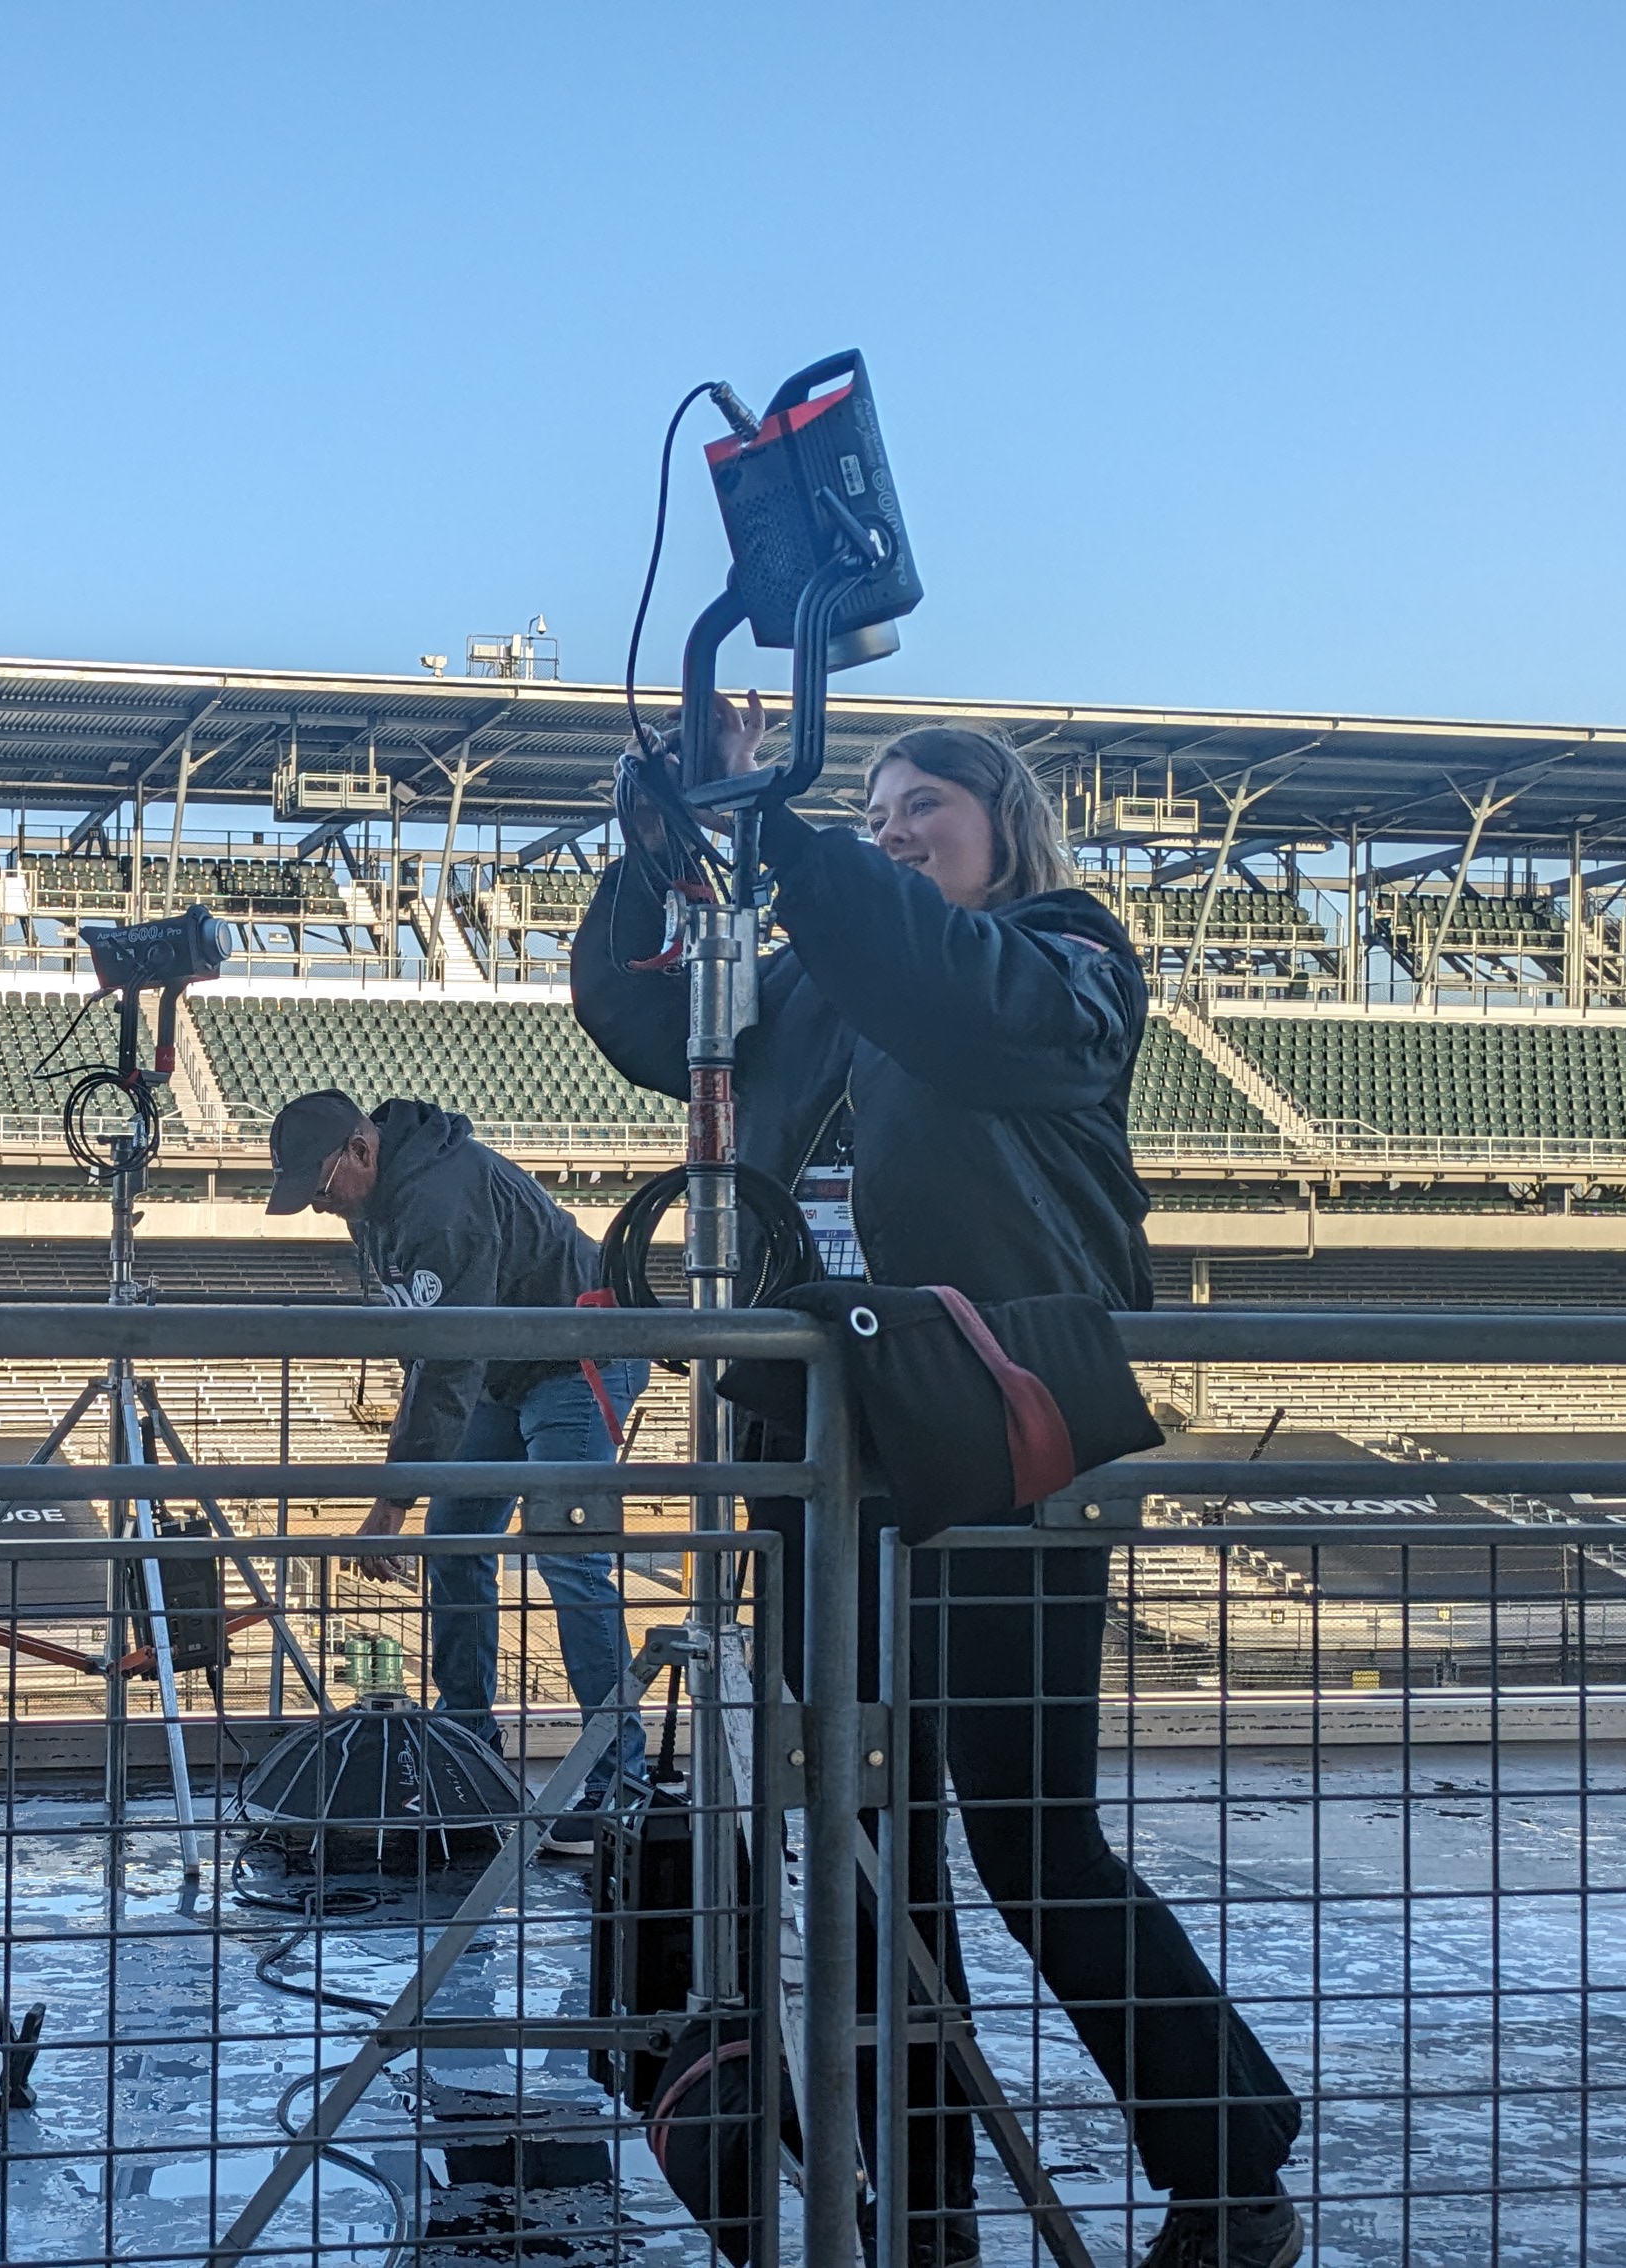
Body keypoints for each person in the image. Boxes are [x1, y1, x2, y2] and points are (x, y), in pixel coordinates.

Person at [571, 706, 1304, 2268]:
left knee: (1030, 1835)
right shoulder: (813, 980)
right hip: (816, 1466)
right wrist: (659, 848)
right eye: (879, 807)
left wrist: (804, 838)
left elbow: (955, 1000)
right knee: (857, 1848)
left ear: (1004, 824)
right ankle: (923, 2211)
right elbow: (646, 1025)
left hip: (992, 1458)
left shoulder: (1066, 959)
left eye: (926, 808)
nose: (896, 827)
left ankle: (1233, 2163)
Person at [264, 1087, 649, 1850]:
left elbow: (445, 1362)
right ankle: (468, 1741)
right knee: (457, 1543)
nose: (317, 1206)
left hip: (577, 1360)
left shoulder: (441, 1201)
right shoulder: (377, 1208)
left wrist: (389, 1505)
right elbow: (428, 1347)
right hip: (503, 1370)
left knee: (571, 1563)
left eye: (320, 1187)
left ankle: (619, 1780)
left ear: (361, 1151)